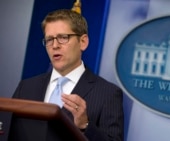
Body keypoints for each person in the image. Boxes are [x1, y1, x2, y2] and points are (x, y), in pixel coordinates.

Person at [8, 9, 124, 141]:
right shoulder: (26, 87)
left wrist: (85, 126)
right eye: (49, 39)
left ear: (83, 42)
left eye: (63, 38)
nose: (55, 45)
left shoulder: (108, 93)